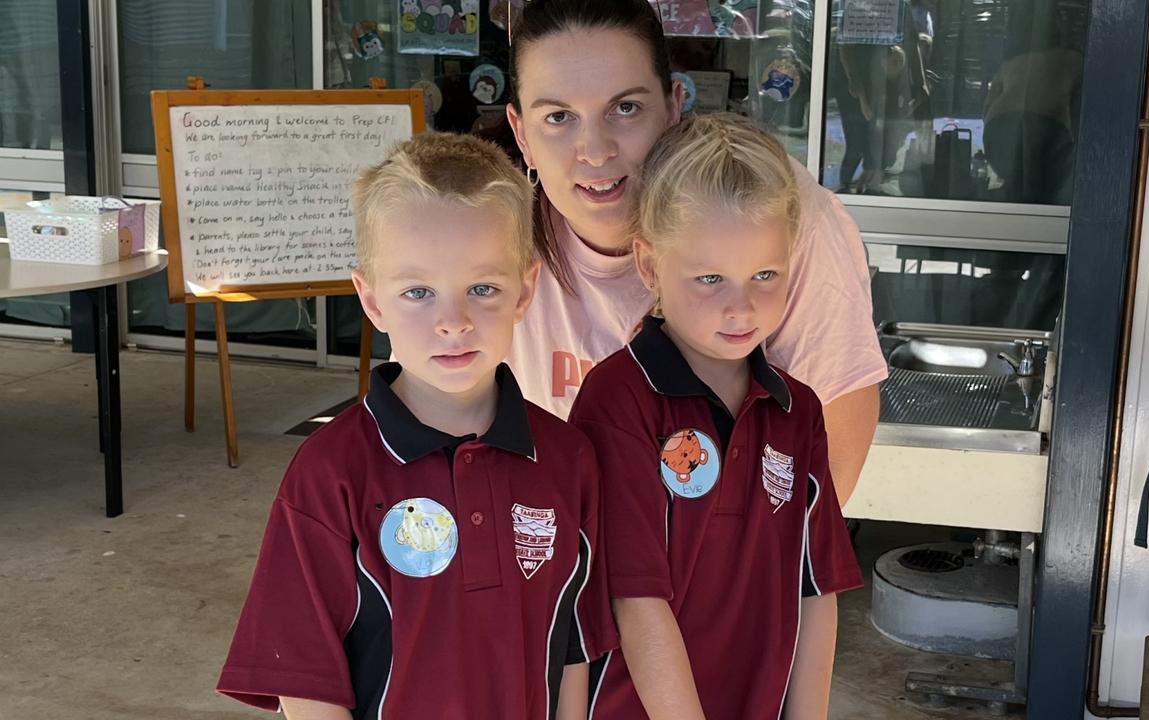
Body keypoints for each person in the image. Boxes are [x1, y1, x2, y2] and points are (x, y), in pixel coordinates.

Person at [216, 133, 615, 719]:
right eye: (418, 292)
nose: (453, 322)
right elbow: (304, 675)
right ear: (372, 301)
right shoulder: (331, 473)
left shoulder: (567, 460)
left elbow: (576, 644)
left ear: (525, 291)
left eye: (482, 289)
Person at [498, 0, 887, 505]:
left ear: (674, 105)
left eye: (626, 108)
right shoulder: (490, 235)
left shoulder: (767, 206)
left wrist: (777, 575)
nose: (594, 150)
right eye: (558, 117)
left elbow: (837, 410)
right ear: (521, 134)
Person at [569, 113, 862, 719]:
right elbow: (635, 597)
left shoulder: (796, 410)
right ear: (650, 265)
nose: (742, 305)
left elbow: (817, 589)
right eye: (710, 278)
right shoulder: (618, 399)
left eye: (765, 275)